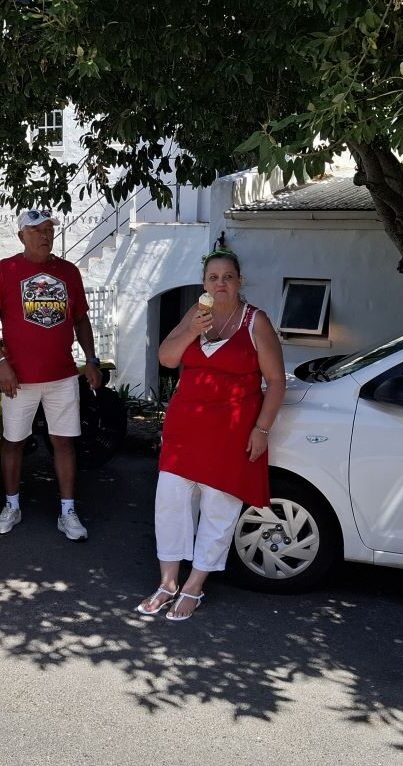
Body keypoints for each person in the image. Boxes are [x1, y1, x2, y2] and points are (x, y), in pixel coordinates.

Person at [136, 248, 286, 621]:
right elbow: (168, 359)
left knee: (219, 509)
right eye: (213, 277)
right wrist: (190, 330)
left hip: (230, 432)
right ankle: (167, 583)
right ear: (204, 284)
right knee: (170, 502)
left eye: (227, 277)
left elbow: (277, 381)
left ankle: (194, 585)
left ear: (239, 281)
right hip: (185, 428)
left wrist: (262, 429)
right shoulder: (196, 315)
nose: (220, 283)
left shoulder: (256, 322)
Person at [0, 208, 102, 541]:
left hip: (61, 376)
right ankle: (12, 506)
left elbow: (80, 320)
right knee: (13, 442)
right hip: (18, 378)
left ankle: (68, 511)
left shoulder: (68, 271)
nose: (45, 235)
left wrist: (91, 359)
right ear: (21, 235)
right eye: (36, 230)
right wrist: (0, 362)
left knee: (63, 444)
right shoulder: (5, 270)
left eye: (49, 229)